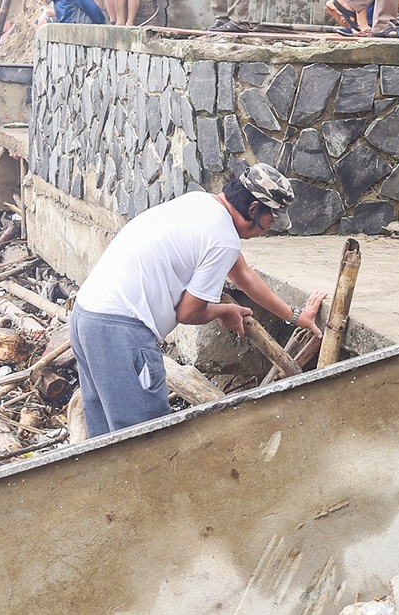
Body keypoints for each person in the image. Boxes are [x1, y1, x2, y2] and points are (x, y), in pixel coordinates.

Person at [69, 164, 325, 437]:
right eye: (270, 222)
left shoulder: (201, 203)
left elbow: (244, 276)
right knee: (144, 442)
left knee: (103, 442)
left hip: (86, 316)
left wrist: (295, 315)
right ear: (253, 210)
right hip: (120, 333)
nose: (267, 229)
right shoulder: (223, 238)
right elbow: (188, 313)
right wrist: (223, 310)